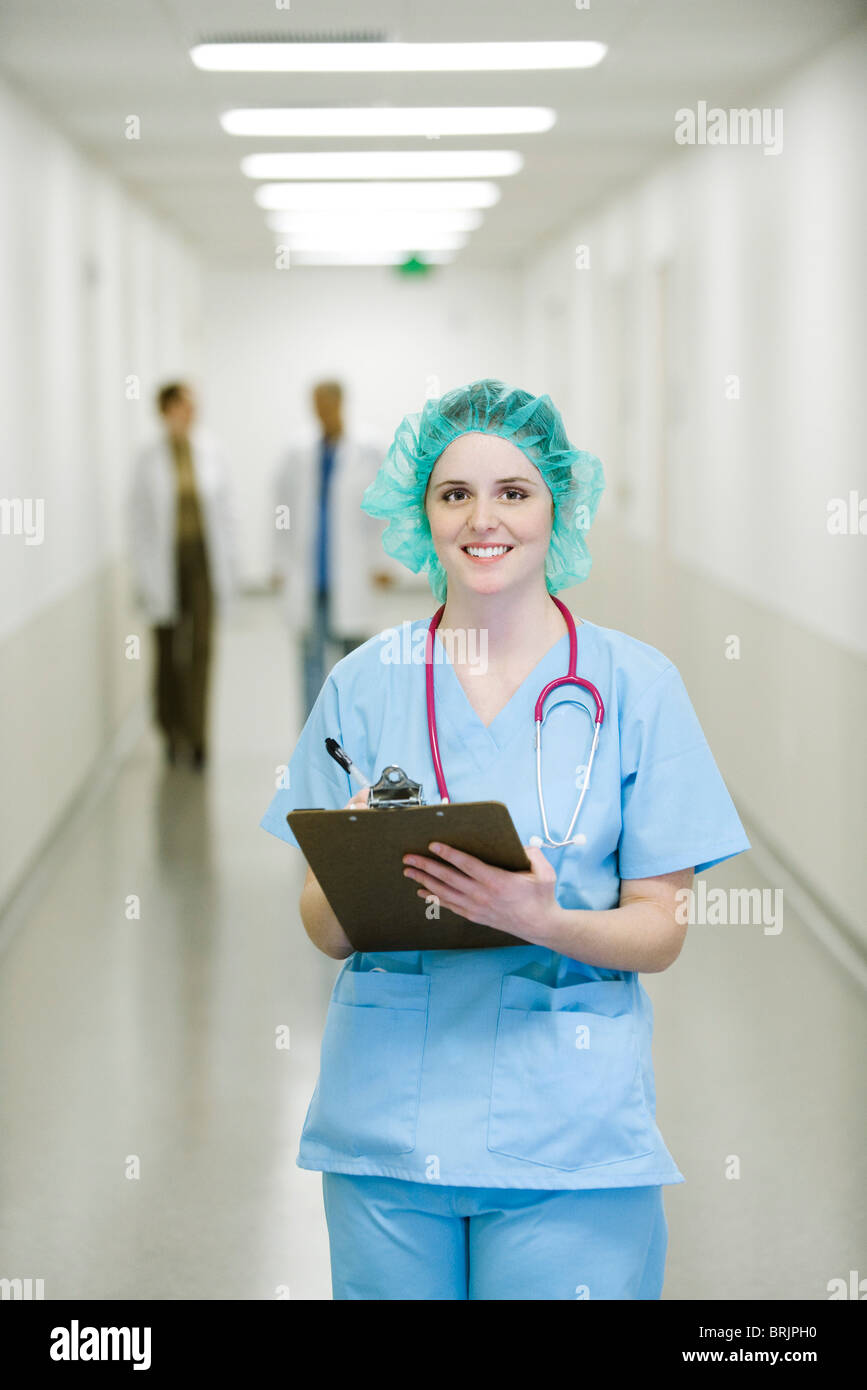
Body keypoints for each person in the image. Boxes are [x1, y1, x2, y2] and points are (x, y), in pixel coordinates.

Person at [260, 379, 751, 1300]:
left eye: (513, 492)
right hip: (387, 1137)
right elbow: (321, 925)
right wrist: (356, 866)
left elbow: (661, 929)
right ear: (423, 513)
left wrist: (543, 919)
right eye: (454, 494)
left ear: (556, 504)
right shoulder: (363, 686)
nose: (483, 519)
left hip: (567, 1135)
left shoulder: (635, 688)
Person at [271, 380, 396, 719]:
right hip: (310, 573)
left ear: (340, 403)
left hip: (352, 571)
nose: (321, 412)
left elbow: (383, 509)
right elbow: (281, 509)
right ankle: (313, 732)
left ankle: (352, 729)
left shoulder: (369, 448)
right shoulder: (298, 451)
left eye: (326, 404)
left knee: (354, 657)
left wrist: (383, 562)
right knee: (310, 658)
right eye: (316, 405)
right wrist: (279, 562)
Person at [128, 382, 238, 768]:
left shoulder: (211, 451)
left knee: (202, 650)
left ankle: (198, 735)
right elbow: (139, 522)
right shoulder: (148, 458)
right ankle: (170, 730)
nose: (191, 412)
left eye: (194, 405)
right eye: (184, 405)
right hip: (164, 567)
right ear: (166, 409)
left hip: (203, 565)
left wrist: (233, 566)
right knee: (167, 655)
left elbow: (225, 515)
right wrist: (143, 577)